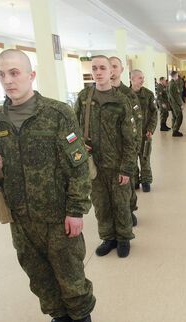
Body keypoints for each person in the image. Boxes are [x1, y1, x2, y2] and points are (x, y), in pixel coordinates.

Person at [0, 49, 95, 322]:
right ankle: (59, 316)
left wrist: (76, 210)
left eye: (14, 73)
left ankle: (81, 315)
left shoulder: (57, 114)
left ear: (31, 75)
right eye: (1, 74)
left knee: (69, 270)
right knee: (38, 274)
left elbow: (79, 165)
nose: (8, 80)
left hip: (58, 214)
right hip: (20, 217)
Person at [74, 55, 137, 258]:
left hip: (117, 163)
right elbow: (73, 129)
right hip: (94, 164)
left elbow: (130, 138)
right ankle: (108, 237)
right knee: (101, 204)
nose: (98, 72)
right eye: (94, 68)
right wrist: (79, 145)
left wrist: (127, 168)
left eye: (103, 68)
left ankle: (124, 237)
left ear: (112, 72)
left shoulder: (121, 100)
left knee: (120, 202)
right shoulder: (84, 98)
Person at [109, 56, 142, 226]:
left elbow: (137, 122)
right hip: (106, 151)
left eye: (115, 66)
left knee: (128, 182)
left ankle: (130, 208)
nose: (111, 70)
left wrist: (135, 147)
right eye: (109, 66)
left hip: (125, 148)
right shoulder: (96, 94)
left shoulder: (128, 94)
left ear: (121, 70)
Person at [130, 69, 157, 192]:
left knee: (145, 157)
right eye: (140, 78)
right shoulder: (125, 95)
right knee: (132, 158)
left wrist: (151, 129)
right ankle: (135, 180)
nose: (143, 80)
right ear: (132, 79)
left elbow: (154, 113)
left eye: (143, 78)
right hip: (130, 135)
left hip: (145, 133)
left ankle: (146, 180)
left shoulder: (148, 94)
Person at [167, 71, 184, 137]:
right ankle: (175, 131)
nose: (178, 76)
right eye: (177, 75)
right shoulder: (173, 84)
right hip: (175, 103)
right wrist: (181, 104)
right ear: (175, 75)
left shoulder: (169, 83)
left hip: (172, 102)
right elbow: (177, 95)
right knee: (179, 116)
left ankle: (174, 128)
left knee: (174, 116)